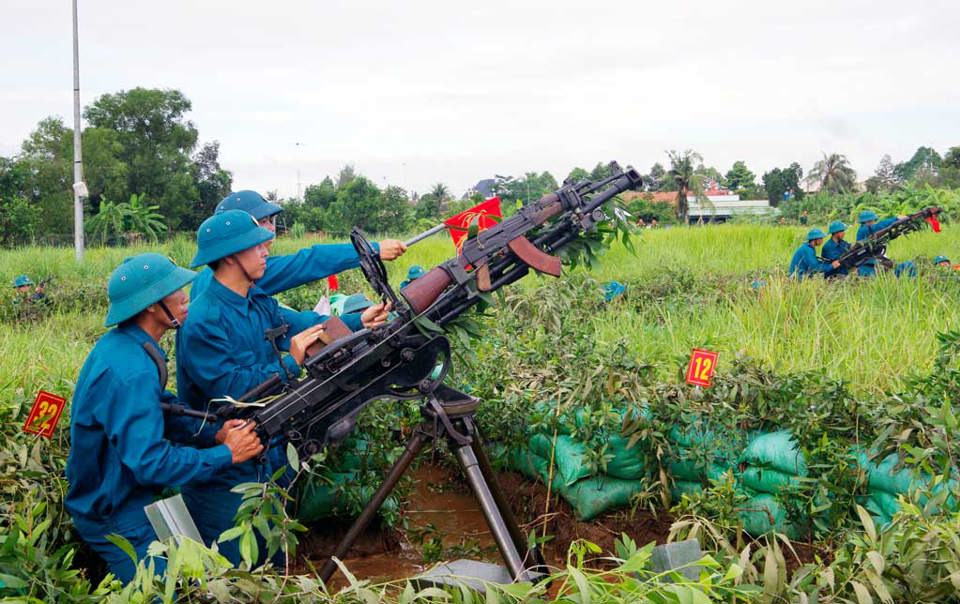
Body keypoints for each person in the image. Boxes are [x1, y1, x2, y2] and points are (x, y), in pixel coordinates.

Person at [175, 210, 391, 567]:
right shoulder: (203, 320)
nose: (265, 250)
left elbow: (299, 325)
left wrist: (356, 321)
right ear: (230, 256)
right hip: (225, 468)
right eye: (256, 246)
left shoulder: (256, 300)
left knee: (275, 560)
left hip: (267, 451)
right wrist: (290, 362)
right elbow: (233, 392)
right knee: (239, 569)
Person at [64, 253, 264, 583]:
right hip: (111, 511)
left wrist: (212, 432)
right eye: (175, 291)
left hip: (131, 496)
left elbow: (163, 408)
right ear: (152, 306)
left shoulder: (132, 346)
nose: (186, 296)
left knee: (193, 577)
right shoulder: (132, 371)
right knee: (166, 591)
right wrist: (225, 454)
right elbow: (150, 461)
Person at [189, 190, 407, 300]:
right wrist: (372, 250)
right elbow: (307, 262)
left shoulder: (212, 277)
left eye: (270, 221)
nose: (271, 229)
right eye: (262, 222)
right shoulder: (237, 273)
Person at [855, 210, 906, 277]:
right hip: (869, 259)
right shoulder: (864, 230)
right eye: (871, 221)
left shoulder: (865, 231)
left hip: (872, 257)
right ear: (866, 222)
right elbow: (880, 226)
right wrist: (896, 219)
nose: (873, 222)